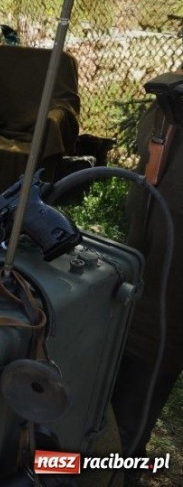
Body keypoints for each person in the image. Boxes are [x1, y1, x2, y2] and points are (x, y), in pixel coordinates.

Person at [112, 64, 183, 466]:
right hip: (136, 274)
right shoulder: (168, 99)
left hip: (166, 314)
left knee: (149, 362)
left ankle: (120, 464)